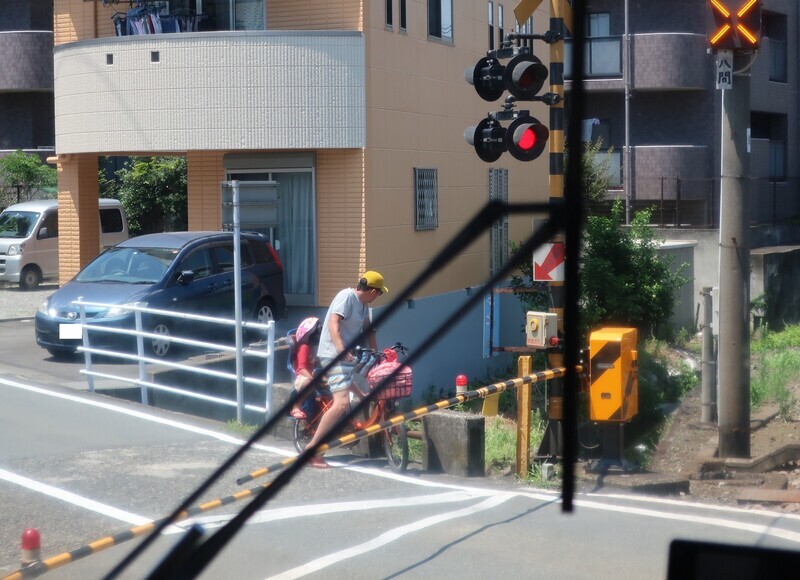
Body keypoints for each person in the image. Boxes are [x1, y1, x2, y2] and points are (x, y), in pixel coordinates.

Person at [305, 270, 388, 468]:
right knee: (341, 404)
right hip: (332, 353)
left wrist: (378, 355)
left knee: (350, 387)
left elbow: (369, 331)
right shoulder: (346, 296)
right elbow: (333, 323)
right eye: (379, 292)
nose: (378, 296)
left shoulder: (363, 305)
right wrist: (341, 349)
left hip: (345, 355)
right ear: (372, 290)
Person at [289, 316, 321, 420]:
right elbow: (302, 368)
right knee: (310, 383)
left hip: (310, 374)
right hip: (302, 378)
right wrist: (313, 378)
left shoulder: (311, 348)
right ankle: (296, 406)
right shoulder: (304, 348)